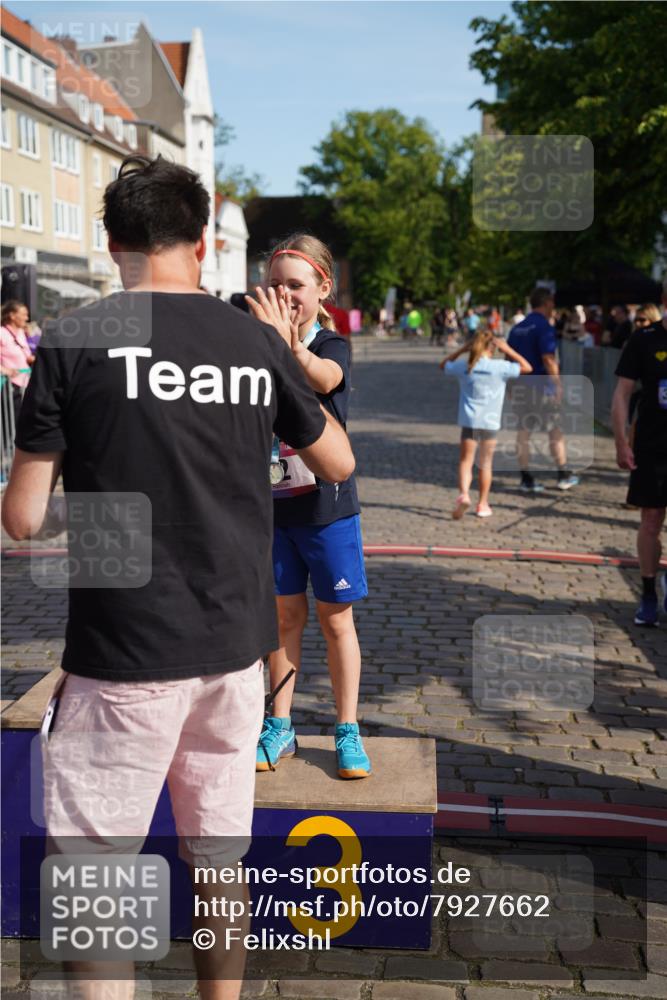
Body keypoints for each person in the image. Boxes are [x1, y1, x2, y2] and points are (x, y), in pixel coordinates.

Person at [2, 156, 355, 1000]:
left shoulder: (76, 337)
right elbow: (337, 462)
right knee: (219, 860)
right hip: (235, 652)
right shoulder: (251, 339)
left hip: (124, 651)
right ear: (201, 243)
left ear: (112, 243)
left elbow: (22, 517)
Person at [245, 233, 371, 781]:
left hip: (326, 510)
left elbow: (326, 378)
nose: (284, 294)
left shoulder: (329, 344)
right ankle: (280, 723)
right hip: (275, 507)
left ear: (323, 289)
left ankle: (348, 728)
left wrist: (289, 347)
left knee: (335, 619)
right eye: (274, 284)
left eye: (295, 285)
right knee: (283, 618)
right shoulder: (256, 342)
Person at [611, 281, 667, 626]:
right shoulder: (644, 340)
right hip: (653, 444)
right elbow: (622, 393)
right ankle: (648, 593)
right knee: (651, 519)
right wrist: (621, 441)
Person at [440, 328, 532, 518]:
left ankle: (464, 494)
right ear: (492, 348)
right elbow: (527, 367)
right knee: (486, 463)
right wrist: (508, 349)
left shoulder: (465, 366)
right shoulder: (500, 367)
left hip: (469, 421)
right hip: (490, 422)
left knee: (466, 461)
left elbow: (443, 365)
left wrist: (462, 349)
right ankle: (482, 504)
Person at [507, 287, 580, 493]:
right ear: (547, 302)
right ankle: (563, 475)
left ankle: (526, 478)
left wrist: (510, 386)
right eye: (552, 303)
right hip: (541, 387)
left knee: (523, 431)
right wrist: (557, 384)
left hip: (520, 385)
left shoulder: (517, 328)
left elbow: (508, 359)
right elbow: (548, 358)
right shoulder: (544, 327)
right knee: (555, 430)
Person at [1, 299, 35, 422]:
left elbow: (25, 355)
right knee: (11, 420)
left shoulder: (21, 333)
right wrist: (4, 370)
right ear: (12, 316)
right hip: (9, 386)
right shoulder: (2, 333)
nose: (27, 318)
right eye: (24, 314)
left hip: (24, 384)